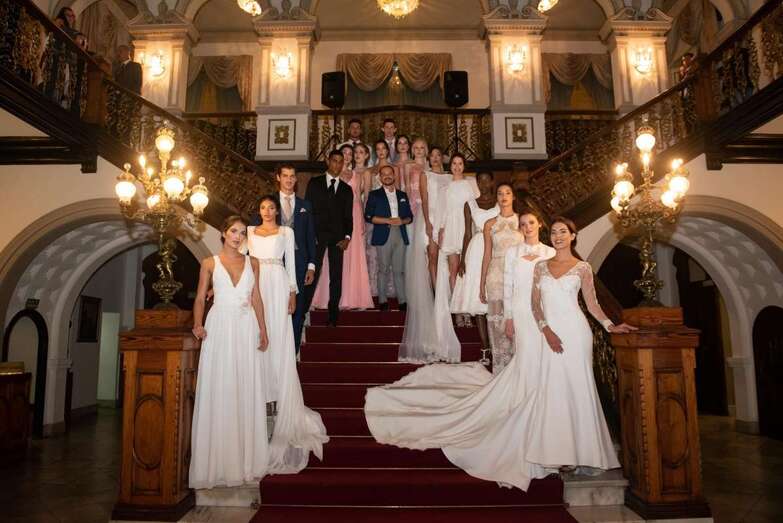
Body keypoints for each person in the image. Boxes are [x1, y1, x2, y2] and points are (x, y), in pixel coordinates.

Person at [364, 217, 635, 492]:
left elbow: (593, 305)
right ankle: (560, 451)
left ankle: (586, 454)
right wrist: (546, 331)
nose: (558, 236)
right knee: (553, 390)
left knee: (579, 389)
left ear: (573, 236)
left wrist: (610, 326)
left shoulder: (583, 267)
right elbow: (535, 305)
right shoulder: (542, 266)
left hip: (576, 335)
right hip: (549, 334)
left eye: (563, 232)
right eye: (554, 232)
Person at [247, 196, 329, 473]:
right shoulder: (249, 232)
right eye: (263, 207)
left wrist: (293, 292)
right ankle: (261, 393)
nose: (267, 211)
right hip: (256, 285)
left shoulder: (286, 231)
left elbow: (291, 263)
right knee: (258, 335)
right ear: (258, 210)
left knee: (280, 338)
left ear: (277, 211)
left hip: (279, 282)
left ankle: (279, 394)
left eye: (271, 207)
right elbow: (242, 263)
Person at [190, 216, 270, 488]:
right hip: (219, 327)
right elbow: (200, 297)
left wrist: (264, 330)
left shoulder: (253, 262)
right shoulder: (209, 263)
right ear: (223, 233)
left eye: (242, 232)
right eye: (233, 231)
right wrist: (197, 324)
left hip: (246, 326)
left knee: (244, 387)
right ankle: (218, 462)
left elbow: (256, 297)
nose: (238, 236)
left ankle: (247, 461)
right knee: (220, 387)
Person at [250, 164, 316, 352]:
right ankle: (268, 350)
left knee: (296, 309)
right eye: (285, 175)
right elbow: (253, 233)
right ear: (278, 178)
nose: (289, 179)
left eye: (292, 176)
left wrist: (311, 265)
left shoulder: (305, 206)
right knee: (269, 308)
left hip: (299, 263)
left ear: (296, 179)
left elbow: (310, 236)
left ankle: (291, 353)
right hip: (272, 265)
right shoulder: (268, 204)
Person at [502, 209, 556, 390]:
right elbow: (507, 285)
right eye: (523, 224)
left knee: (544, 350)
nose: (528, 227)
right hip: (520, 309)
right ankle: (524, 391)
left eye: (531, 222)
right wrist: (508, 317)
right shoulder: (512, 252)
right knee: (525, 350)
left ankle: (543, 391)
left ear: (539, 224)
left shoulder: (550, 252)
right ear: (520, 228)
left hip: (544, 309)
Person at [450, 172, 498, 355]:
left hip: (497, 248)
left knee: (495, 296)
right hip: (477, 249)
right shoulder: (469, 204)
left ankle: (498, 344)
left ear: (492, 182)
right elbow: (467, 233)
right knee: (477, 299)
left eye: (486, 181)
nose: (483, 184)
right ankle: (485, 346)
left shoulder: (500, 201)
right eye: (480, 181)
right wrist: (463, 260)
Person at [304, 150, 354, 326]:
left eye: (341, 162)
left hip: (338, 238)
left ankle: (333, 316)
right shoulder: (314, 183)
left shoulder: (347, 189)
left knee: (336, 276)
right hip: (317, 236)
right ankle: (303, 311)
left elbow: (348, 216)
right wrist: (310, 235)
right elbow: (308, 211)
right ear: (328, 161)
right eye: (334, 161)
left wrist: (347, 237)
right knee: (312, 272)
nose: (337, 165)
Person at [479, 183, 521, 374]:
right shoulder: (490, 224)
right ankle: (500, 368)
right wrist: (481, 284)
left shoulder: (523, 221)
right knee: (497, 322)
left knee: (517, 319)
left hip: (517, 274)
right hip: (495, 274)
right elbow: (487, 254)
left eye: (507, 193)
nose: (504, 196)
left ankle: (517, 367)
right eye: (500, 193)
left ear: (513, 197)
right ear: (496, 197)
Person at [365, 165, 413, 311]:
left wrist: (402, 221)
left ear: (394, 175)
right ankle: (382, 300)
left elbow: (410, 217)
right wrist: (387, 220)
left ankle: (402, 301)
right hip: (383, 234)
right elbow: (368, 216)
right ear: (380, 177)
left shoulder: (402, 195)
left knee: (399, 270)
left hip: (400, 234)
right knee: (383, 269)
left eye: (389, 173)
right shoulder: (374, 195)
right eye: (384, 174)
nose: (387, 176)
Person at [439, 153, 479, 291]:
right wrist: (441, 228)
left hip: (466, 226)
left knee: (467, 265)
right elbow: (443, 209)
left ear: (464, 166)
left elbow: (476, 206)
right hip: (451, 227)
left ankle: (465, 299)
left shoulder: (471, 183)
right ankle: (454, 302)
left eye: (460, 163)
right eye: (454, 163)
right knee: (453, 268)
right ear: (450, 166)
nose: (457, 167)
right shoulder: (445, 186)